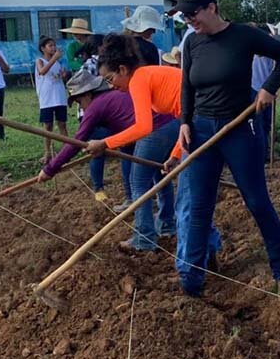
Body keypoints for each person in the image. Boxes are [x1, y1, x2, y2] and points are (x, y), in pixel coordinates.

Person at [163, 0, 280, 296]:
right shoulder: (192, 43)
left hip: (239, 128)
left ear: (212, 7)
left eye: (193, 14)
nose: (189, 21)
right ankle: (191, 282)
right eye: (184, 17)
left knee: (256, 200)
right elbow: (187, 86)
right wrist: (185, 122)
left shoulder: (243, 35)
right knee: (198, 205)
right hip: (199, 132)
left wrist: (268, 88)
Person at [85, 36, 219, 264]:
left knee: (177, 195)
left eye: (111, 78)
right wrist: (176, 154)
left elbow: (143, 126)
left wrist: (105, 143)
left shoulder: (138, 79)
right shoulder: (146, 75)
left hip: (203, 121)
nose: (111, 86)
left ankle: (156, 242)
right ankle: (206, 248)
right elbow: (184, 118)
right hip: (198, 122)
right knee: (193, 195)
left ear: (123, 69)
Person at [41, 69, 176, 245]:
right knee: (161, 176)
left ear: (88, 94)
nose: (81, 107)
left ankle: (144, 240)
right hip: (170, 124)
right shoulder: (113, 96)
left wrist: (50, 169)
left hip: (153, 131)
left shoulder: (96, 106)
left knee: (139, 184)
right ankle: (166, 225)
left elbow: (76, 142)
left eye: (80, 101)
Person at [35, 36, 70, 164]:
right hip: (47, 99)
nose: (53, 48)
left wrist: (64, 75)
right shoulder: (40, 61)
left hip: (59, 97)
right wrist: (54, 58)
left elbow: (60, 76)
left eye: (54, 45)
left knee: (62, 124)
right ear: (43, 48)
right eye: (50, 46)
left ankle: (67, 151)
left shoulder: (58, 63)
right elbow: (42, 71)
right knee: (47, 126)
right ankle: (47, 153)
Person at [250, 24, 276, 162]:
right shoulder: (249, 50)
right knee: (256, 123)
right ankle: (259, 153)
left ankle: (266, 152)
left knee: (267, 123)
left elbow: (274, 69)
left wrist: (273, 88)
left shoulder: (270, 51)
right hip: (253, 90)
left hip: (267, 90)